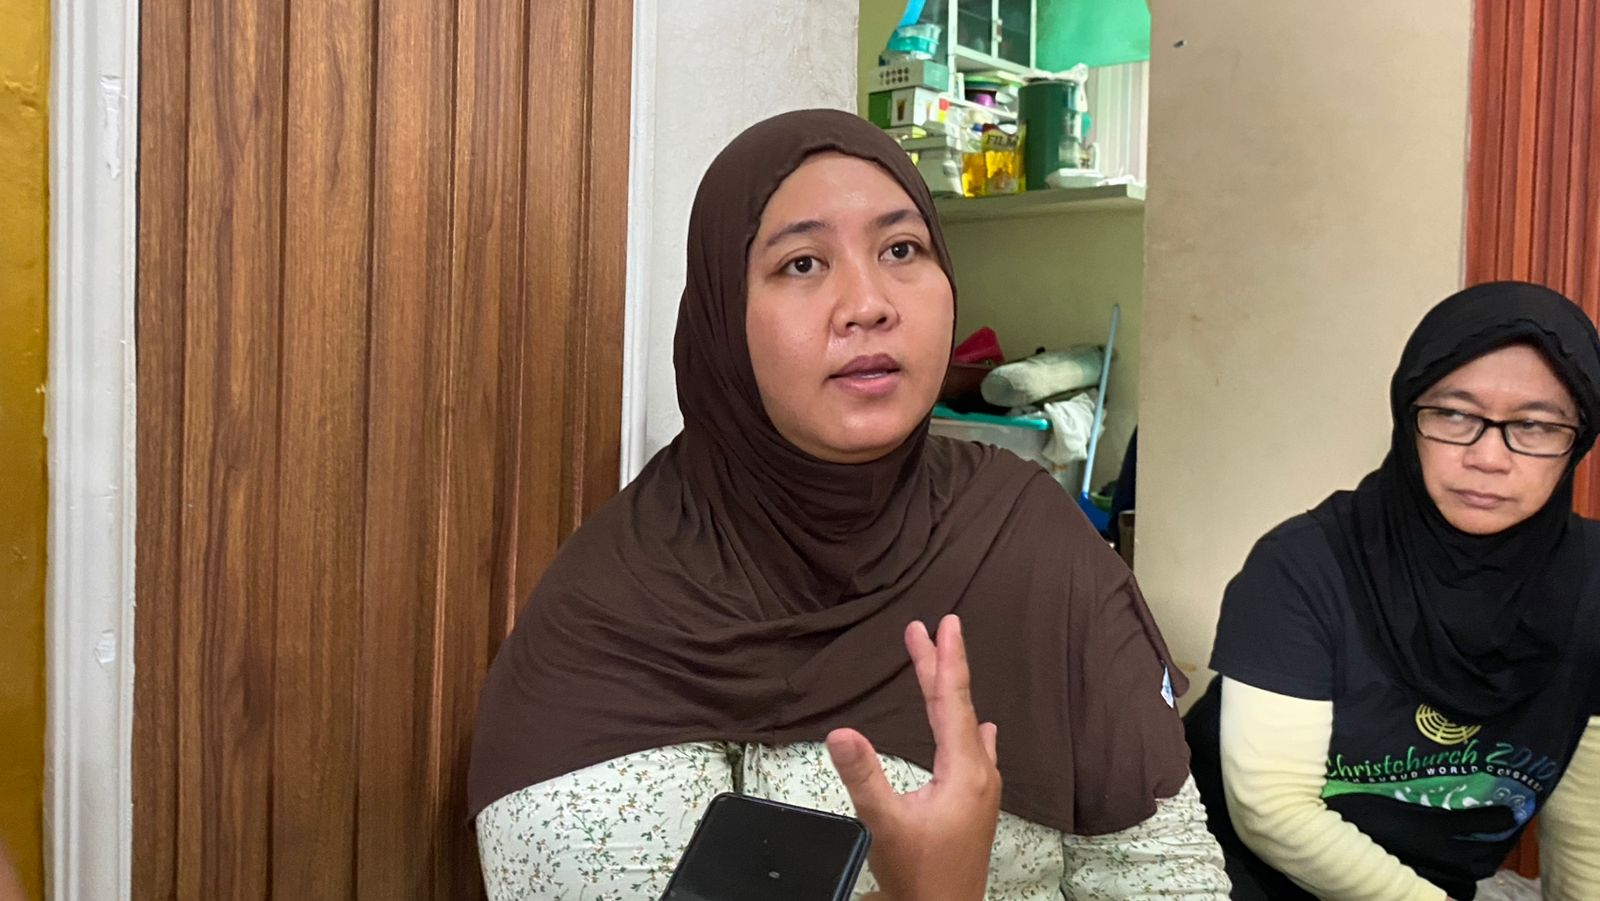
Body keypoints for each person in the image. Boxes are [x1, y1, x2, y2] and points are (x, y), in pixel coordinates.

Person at [467, 109, 1229, 900]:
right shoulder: (613, 620)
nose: (868, 303)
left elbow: (1166, 877)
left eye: (901, 249)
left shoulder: (1030, 534)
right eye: (802, 263)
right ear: (724, 315)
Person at [1185, 282, 1600, 901]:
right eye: (1455, 415)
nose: (1489, 457)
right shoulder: (1302, 566)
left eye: (1536, 425)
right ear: (1410, 419)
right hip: (1237, 876)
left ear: (1578, 440)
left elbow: (1586, 825)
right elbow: (1273, 811)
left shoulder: (1591, 581)